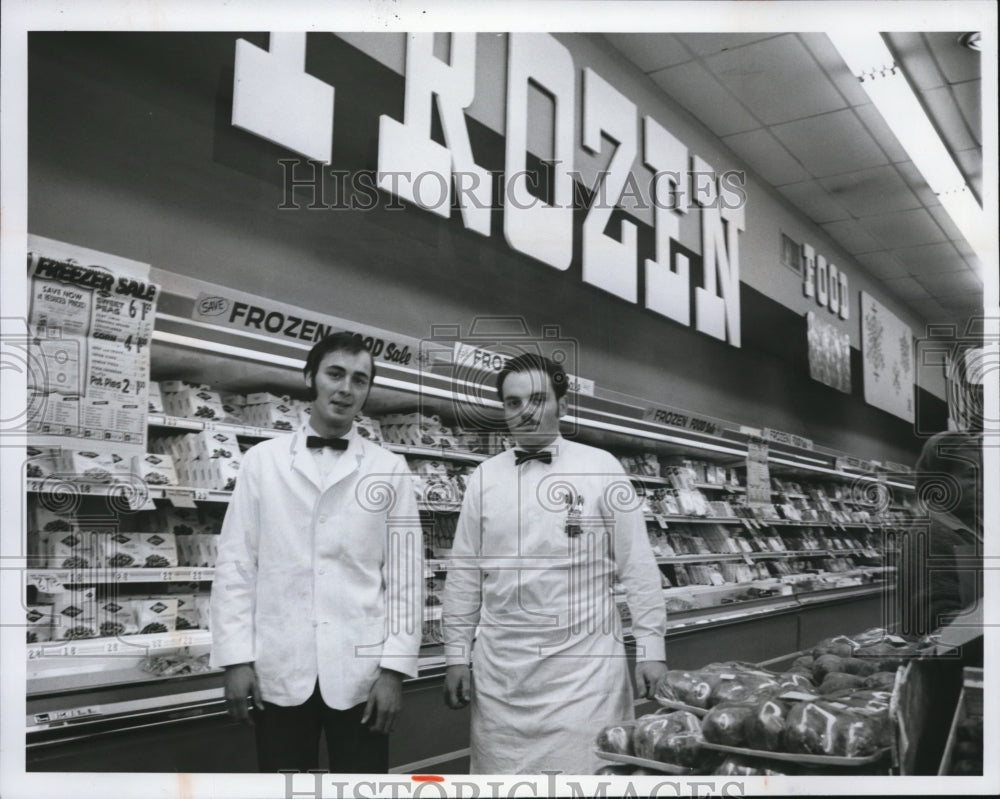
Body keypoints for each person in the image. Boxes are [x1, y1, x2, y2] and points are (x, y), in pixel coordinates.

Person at [441, 352, 668, 774]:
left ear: (562, 405)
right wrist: (457, 654)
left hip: (584, 677)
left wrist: (652, 647)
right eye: (513, 402)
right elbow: (464, 575)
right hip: (501, 680)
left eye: (538, 399)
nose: (525, 412)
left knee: (589, 776)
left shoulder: (602, 469)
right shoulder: (483, 479)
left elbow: (637, 564)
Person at [210, 332, 423, 773]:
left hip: (362, 678)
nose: (346, 388)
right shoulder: (261, 463)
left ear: (367, 391)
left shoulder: (390, 469)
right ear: (311, 378)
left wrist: (394, 671)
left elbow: (407, 578)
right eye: (335, 374)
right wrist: (235, 659)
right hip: (279, 670)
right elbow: (235, 566)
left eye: (360, 380)